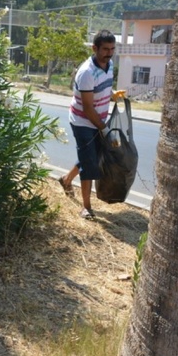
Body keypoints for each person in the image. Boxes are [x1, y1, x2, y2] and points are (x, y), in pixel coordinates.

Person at [58, 29, 123, 220]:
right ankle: (86, 207)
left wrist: (113, 95)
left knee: (91, 156)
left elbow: (102, 88)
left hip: (98, 120)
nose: (109, 53)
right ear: (95, 48)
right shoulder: (86, 72)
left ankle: (66, 179)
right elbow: (87, 108)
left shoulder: (109, 65)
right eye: (105, 49)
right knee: (89, 163)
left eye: (112, 49)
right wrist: (105, 129)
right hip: (83, 122)